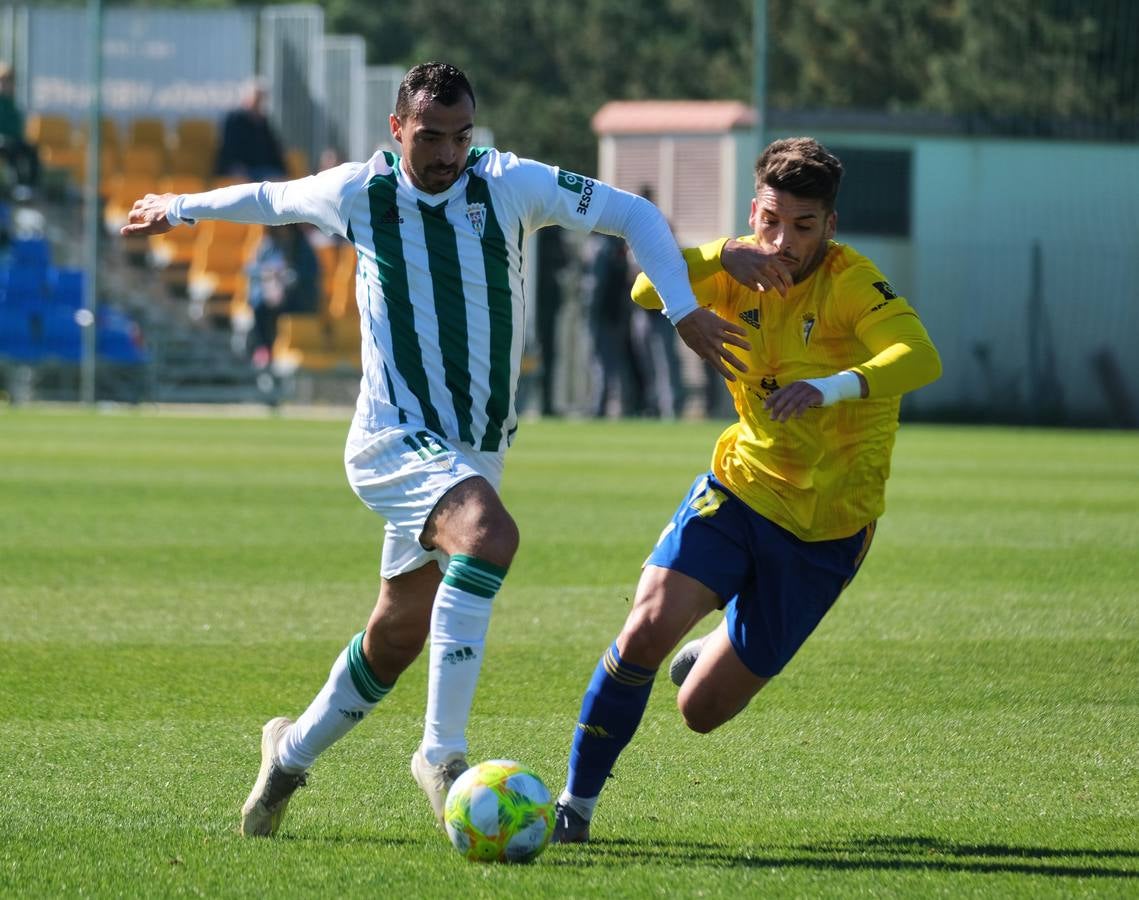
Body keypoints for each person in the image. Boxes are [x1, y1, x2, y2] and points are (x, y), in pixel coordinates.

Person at [120, 62, 747, 837]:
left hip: (472, 450)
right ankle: (440, 753)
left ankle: (286, 755)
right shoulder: (360, 191)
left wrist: (681, 309)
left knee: (395, 633)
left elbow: (635, 217)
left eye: (461, 136)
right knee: (490, 536)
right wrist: (177, 207)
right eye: (430, 137)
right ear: (396, 131)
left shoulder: (510, 182)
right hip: (390, 438)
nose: (448, 153)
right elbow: (270, 200)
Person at [551, 137, 942, 843]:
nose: (781, 240)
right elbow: (646, 289)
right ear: (753, 210)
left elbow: (920, 356)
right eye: (769, 219)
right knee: (643, 629)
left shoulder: (851, 283)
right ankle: (573, 807)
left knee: (699, 712)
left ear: (829, 226)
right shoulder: (737, 264)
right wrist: (717, 255)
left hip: (827, 528)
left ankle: (719, 639)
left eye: (801, 226)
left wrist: (829, 388)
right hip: (738, 488)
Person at [245, 222, 320, 367]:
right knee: (258, 303)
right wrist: (269, 275)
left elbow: (309, 274)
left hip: (298, 300)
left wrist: (286, 278)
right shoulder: (268, 244)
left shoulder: (302, 246)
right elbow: (252, 269)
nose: (282, 229)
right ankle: (263, 348)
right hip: (271, 299)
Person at [586, 233, 638, 417]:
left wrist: (591, 313)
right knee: (615, 363)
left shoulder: (602, 248)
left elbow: (596, 289)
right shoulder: (615, 248)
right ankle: (624, 405)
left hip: (605, 316)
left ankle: (600, 407)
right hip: (617, 314)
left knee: (603, 363)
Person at [214, 79, 288, 182]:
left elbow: (274, 151)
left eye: (262, 99)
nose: (259, 103)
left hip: (265, 171)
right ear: (247, 98)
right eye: (257, 99)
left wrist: (282, 170)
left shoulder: (263, 123)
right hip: (242, 170)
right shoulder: (234, 119)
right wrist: (235, 166)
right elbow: (228, 149)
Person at [0, 63, 39, 193]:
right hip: (3, 141)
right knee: (11, 149)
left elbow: (17, 128)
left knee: (31, 149)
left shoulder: (12, 104)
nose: (6, 85)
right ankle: (15, 186)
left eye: (9, 81)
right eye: (3, 81)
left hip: (13, 140)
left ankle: (30, 186)